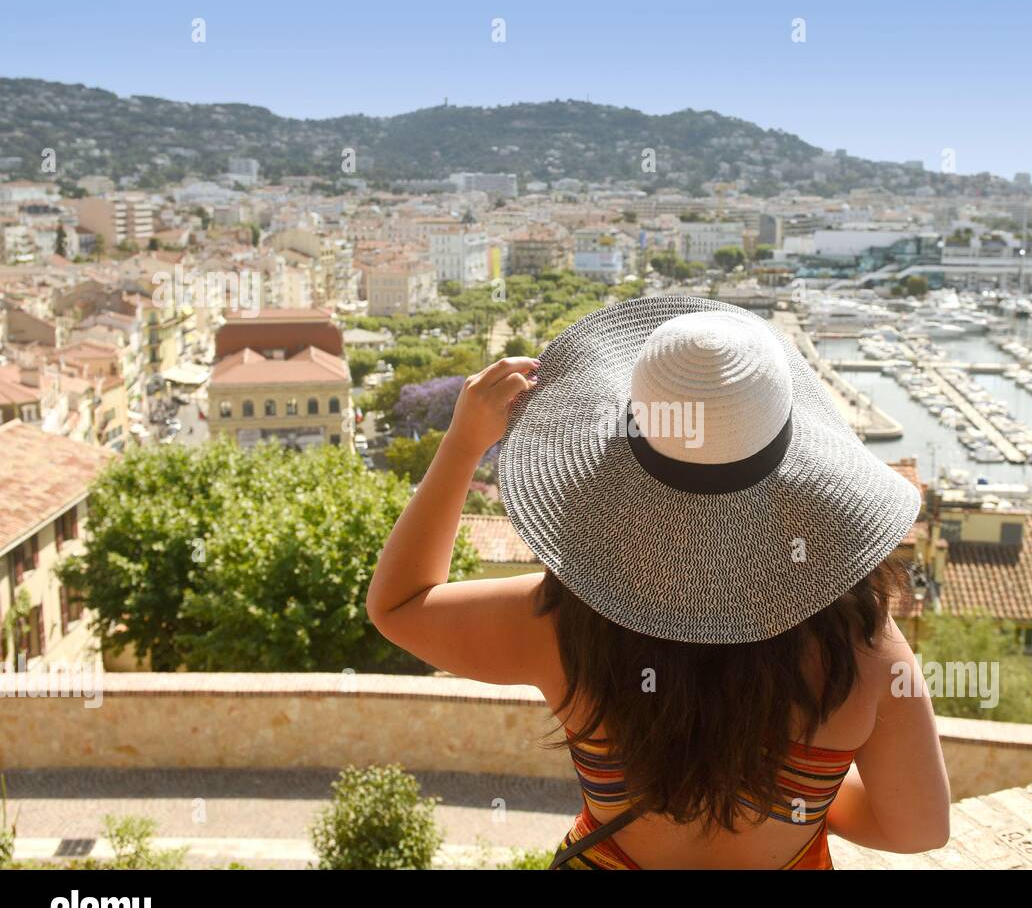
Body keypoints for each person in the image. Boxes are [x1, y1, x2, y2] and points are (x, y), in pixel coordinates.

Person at [368, 295, 950, 869]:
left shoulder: (558, 625)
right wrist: (788, 794)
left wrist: (463, 443)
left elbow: (399, 604)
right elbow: (918, 828)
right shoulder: (863, 646)